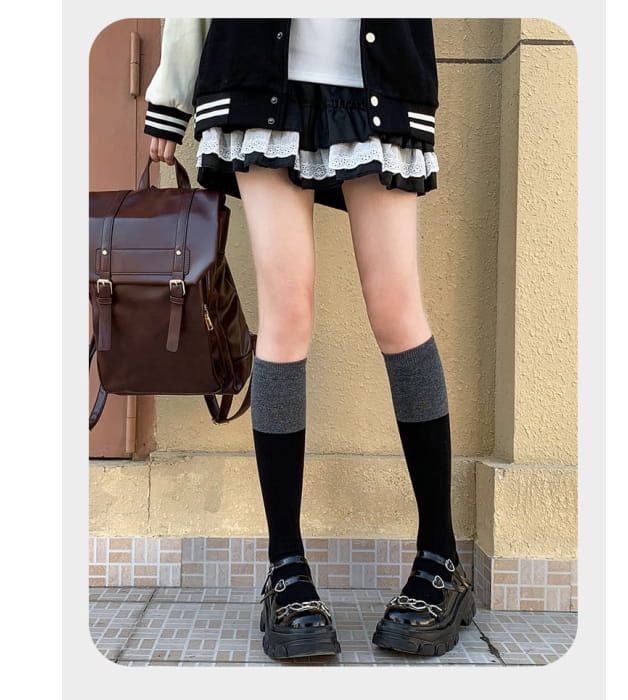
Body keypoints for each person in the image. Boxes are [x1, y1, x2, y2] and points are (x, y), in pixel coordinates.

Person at [143, 17, 475, 661]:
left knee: (397, 312)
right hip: (256, 78)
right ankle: (286, 568)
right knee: (287, 315)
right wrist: (170, 96)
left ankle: (441, 558)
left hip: (381, 80)